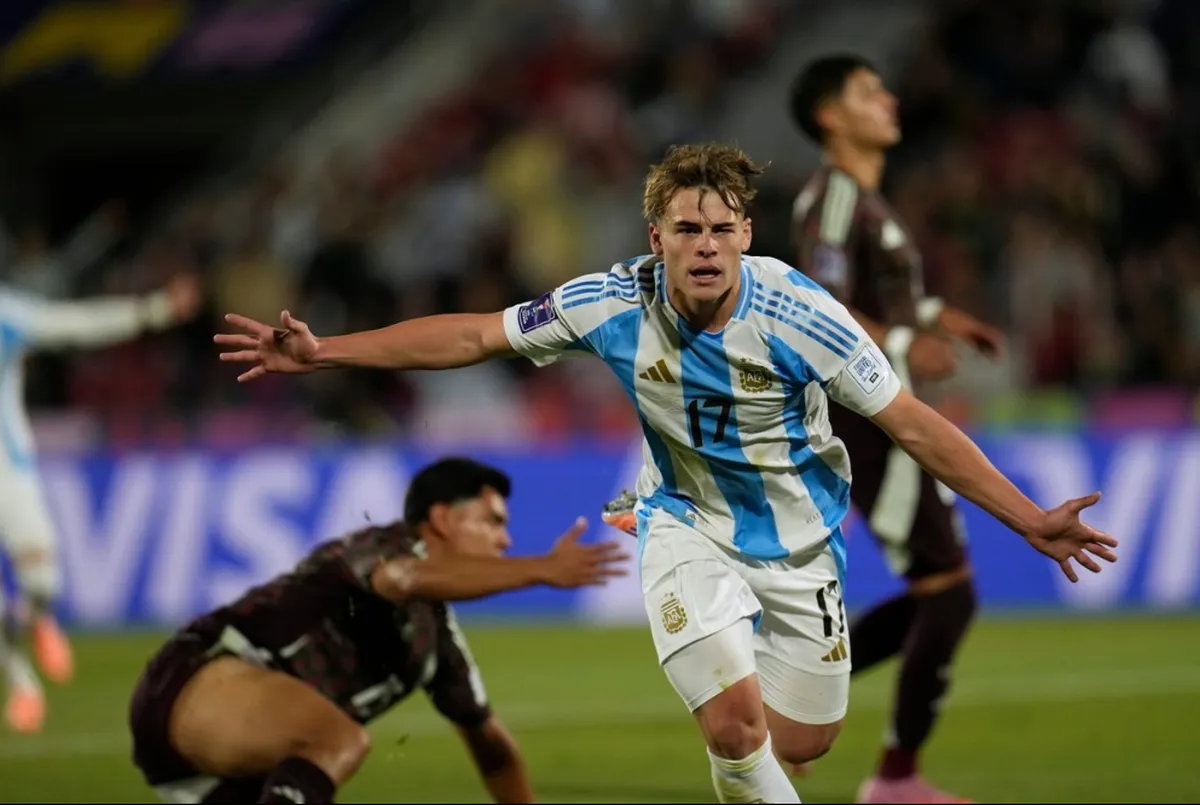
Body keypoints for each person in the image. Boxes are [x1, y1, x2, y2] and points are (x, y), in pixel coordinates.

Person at [214, 142, 1118, 805]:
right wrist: (326, 351)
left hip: (802, 541)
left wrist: (1027, 516)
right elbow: (475, 333)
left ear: (746, 232)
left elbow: (914, 424)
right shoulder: (610, 299)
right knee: (735, 727)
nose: (706, 245)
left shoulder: (802, 312)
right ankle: (682, 597)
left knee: (803, 739)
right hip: (678, 517)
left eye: (722, 228)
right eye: (686, 228)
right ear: (658, 236)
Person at [128, 456, 627, 804]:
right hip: (196, 679)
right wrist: (538, 569)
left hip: (228, 761)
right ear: (442, 520)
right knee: (337, 741)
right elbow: (405, 578)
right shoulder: (379, 548)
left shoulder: (437, 642)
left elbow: (490, 747)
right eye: (492, 522)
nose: (506, 539)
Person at [787, 53, 1006, 803]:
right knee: (948, 592)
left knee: (941, 590)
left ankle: (792, 695)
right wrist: (912, 344)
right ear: (830, 115)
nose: (888, 100)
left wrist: (945, 317)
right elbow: (823, 305)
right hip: (870, 417)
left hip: (889, 408)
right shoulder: (836, 200)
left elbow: (889, 297)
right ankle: (894, 780)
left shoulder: (866, 202)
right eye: (868, 92)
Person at [0, 273, 201, 734]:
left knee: (42, 582)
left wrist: (155, 310)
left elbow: (76, 323)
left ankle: (36, 616)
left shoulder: (6, 317)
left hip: (7, 472)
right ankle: (23, 685)